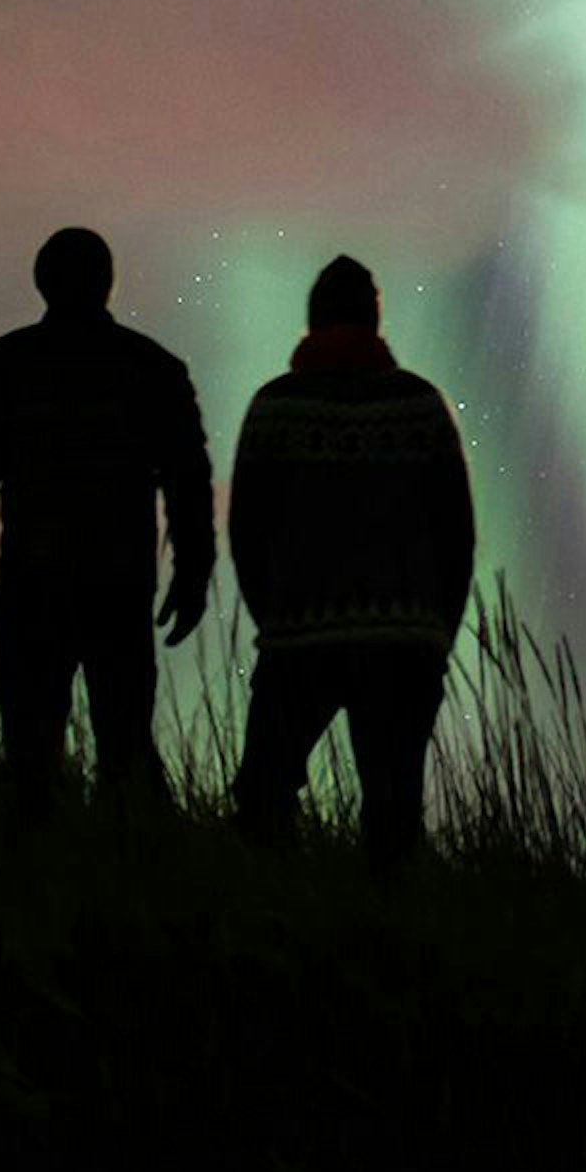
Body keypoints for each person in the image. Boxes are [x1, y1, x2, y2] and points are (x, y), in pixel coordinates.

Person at [0, 226, 214, 816]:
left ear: (41, 282)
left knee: (32, 755)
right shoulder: (152, 367)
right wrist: (193, 572)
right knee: (123, 745)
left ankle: (38, 874)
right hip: (117, 585)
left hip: (34, 582)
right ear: (108, 282)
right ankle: (129, 874)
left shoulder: (2, 365)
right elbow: (188, 482)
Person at [227, 255, 475, 871]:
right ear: (375, 321)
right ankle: (392, 944)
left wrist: (276, 618)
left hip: (298, 639)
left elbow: (245, 532)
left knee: (263, 798)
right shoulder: (420, 405)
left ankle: (274, 933)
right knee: (393, 814)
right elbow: (457, 534)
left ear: (312, 322)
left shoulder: (274, 407)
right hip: (402, 641)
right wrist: (436, 632)